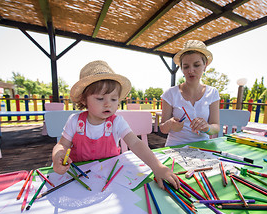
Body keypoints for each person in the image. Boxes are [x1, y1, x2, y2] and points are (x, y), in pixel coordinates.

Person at [52, 60, 179, 189]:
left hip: (111, 179)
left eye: (113, 99)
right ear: (84, 99)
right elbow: (62, 144)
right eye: (100, 98)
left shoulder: (117, 122)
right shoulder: (75, 121)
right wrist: (57, 155)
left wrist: (157, 167)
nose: (108, 104)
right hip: (79, 179)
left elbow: (135, 143)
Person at [160, 40, 220, 146]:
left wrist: (207, 127)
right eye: (186, 67)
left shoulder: (213, 93)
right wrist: (170, 124)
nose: (190, 70)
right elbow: (163, 129)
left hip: (203, 147)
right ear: (181, 68)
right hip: (175, 147)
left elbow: (216, 127)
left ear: (205, 65)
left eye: (196, 65)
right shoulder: (170, 94)